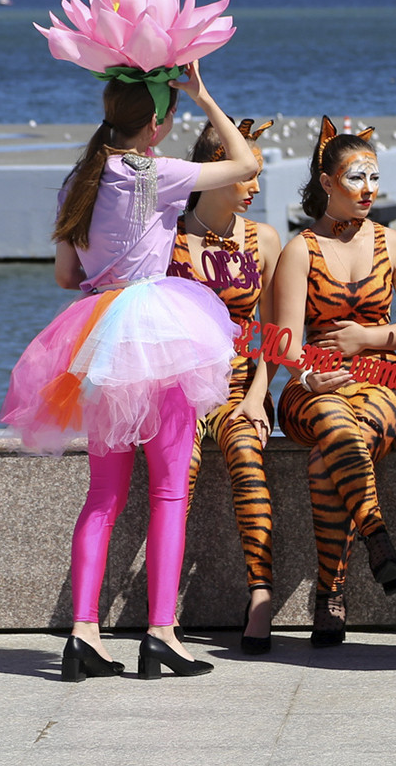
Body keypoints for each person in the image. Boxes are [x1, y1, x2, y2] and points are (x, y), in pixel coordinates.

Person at [1, 61, 259, 681]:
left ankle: (83, 635)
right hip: (157, 328)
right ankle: (161, 635)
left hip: (98, 336)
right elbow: (246, 164)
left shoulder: (80, 177)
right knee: (169, 491)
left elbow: (68, 277)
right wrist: (204, 96)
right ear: (156, 125)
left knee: (103, 497)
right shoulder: (157, 172)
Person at [273, 117, 396, 647]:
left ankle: (329, 591)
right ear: (327, 182)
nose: (368, 189)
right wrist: (309, 375)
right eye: (356, 178)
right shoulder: (300, 250)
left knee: (331, 453)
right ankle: (376, 531)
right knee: (336, 423)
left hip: (380, 379)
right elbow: (285, 340)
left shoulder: (394, 243)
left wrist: (368, 339)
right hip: (312, 388)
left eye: (374, 178)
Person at [170, 118, 282, 655]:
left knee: (246, 449)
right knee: (180, 466)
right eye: (247, 175)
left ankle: (260, 593)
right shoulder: (169, 236)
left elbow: (279, 332)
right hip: (180, 387)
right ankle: (163, 607)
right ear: (217, 170)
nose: (256, 187)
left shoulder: (264, 239)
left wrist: (259, 396)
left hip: (242, 384)